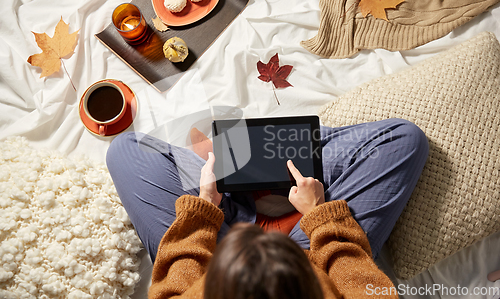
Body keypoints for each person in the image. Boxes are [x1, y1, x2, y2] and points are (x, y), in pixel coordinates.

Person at [106, 118, 429, 299]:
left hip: (216, 256)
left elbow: (173, 285)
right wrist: (318, 214)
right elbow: (356, 278)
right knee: (403, 140)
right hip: (313, 253)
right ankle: (289, 160)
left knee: (125, 149)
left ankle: (246, 190)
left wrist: (203, 211)